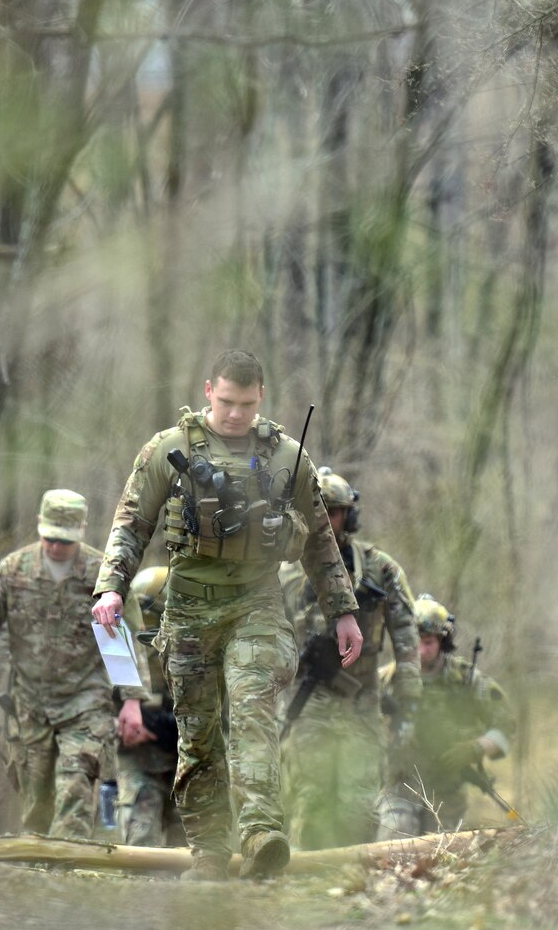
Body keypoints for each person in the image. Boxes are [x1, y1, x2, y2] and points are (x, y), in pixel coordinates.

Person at [92, 349, 362, 882]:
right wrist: (111, 588)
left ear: (260, 396)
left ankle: (262, 832)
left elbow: (321, 543)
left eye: (245, 403)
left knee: (252, 706)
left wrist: (343, 611)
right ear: (209, 389)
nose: (235, 413)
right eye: (226, 401)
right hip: (189, 606)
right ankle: (210, 851)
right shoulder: (168, 450)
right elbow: (131, 524)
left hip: (256, 604)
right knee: (198, 733)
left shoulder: (288, 457)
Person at [278, 468, 421, 849]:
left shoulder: (379, 568)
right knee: (310, 798)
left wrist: (408, 700)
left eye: (333, 511)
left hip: (361, 701)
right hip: (307, 702)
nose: (324, 518)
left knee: (358, 806)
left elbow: (406, 632)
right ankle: (304, 888)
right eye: (316, 509)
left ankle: (352, 886)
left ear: (348, 516)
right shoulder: (285, 571)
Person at [0, 490, 114, 840]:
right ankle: (39, 870)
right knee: (37, 800)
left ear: (81, 531)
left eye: (65, 540)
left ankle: (66, 864)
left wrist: (133, 701)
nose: (56, 547)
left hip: (85, 699)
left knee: (76, 782)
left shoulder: (102, 574)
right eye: (50, 538)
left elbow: (120, 643)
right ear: (38, 528)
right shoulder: (14, 569)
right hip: (30, 701)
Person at [377, 596, 513, 837]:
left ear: (443, 641)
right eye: (413, 641)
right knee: (395, 839)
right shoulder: (385, 681)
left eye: (428, 642)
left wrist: (475, 748)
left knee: (440, 854)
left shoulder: (466, 680)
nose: (420, 650)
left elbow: (505, 723)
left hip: (446, 793)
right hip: (398, 788)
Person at [113, 566, 183, 847]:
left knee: (191, 850)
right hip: (140, 761)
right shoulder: (121, 649)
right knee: (140, 842)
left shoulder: (193, 650)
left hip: (187, 764)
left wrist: (169, 729)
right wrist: (123, 726)